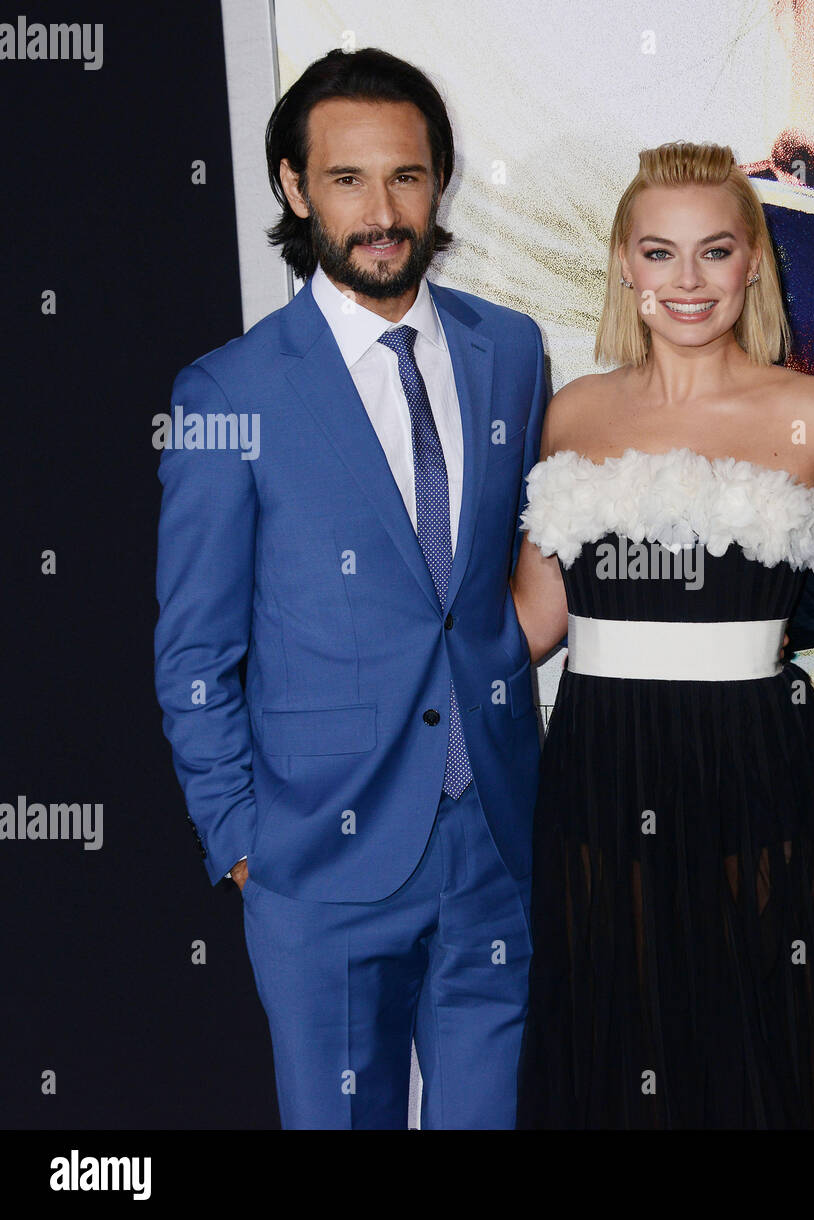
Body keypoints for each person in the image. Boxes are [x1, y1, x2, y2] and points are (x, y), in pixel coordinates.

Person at [153, 48, 547, 1129]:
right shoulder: (228, 391)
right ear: (292, 186)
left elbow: (493, 584)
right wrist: (241, 839)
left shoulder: (508, 351)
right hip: (313, 862)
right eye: (347, 179)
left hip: (495, 849)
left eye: (407, 177)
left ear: (439, 181)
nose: (383, 211)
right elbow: (193, 650)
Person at [509, 141, 814, 1128]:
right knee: (616, 1042)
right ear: (625, 266)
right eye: (661, 253)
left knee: (764, 1044)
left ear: (753, 262)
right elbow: (529, 624)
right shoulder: (571, 413)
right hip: (597, 769)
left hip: (760, 770)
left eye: (714, 252)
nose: (688, 281)